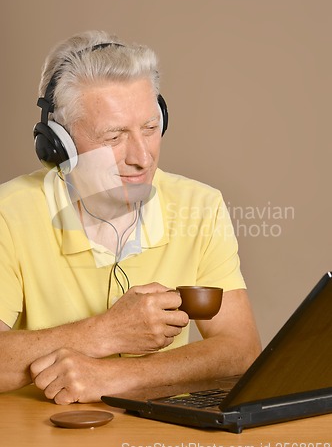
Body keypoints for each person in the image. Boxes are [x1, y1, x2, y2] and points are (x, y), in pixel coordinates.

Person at [0, 31, 261, 404]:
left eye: (151, 129)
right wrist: (105, 332)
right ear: (59, 145)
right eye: (115, 137)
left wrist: (115, 376)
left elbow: (241, 349)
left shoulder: (200, 206)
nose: (142, 157)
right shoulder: (8, 214)